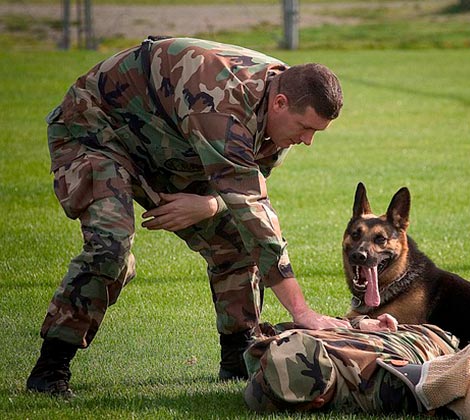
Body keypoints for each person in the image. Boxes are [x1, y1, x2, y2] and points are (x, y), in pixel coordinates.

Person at [26, 36, 350, 397]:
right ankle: (50, 371)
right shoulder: (221, 97)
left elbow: (244, 186)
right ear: (279, 102)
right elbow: (253, 209)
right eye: (306, 129)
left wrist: (209, 204)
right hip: (95, 133)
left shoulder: (278, 117)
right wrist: (302, 311)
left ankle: (237, 360)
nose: (308, 141)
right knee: (110, 249)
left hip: (168, 148)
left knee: (235, 244)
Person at [243, 316, 470, 419]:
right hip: (402, 335)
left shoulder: (382, 385)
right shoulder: (283, 351)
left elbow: (443, 381)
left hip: (437, 340)